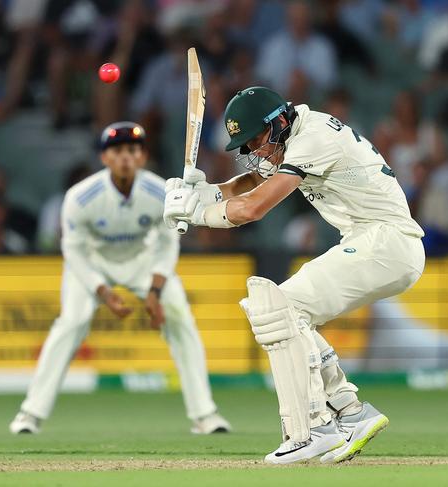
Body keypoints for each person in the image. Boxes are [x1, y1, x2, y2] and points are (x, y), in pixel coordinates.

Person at [163, 87, 425, 464]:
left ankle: (315, 428)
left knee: (281, 306)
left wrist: (197, 213)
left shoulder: (314, 136)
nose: (254, 151)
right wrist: (202, 194)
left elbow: (253, 208)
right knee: (268, 309)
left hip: (388, 242)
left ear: (279, 122)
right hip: (373, 241)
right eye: (247, 144)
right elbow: (250, 183)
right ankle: (350, 412)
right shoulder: (292, 136)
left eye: (256, 139)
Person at [9, 122, 230, 435]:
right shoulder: (81, 197)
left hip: (143, 260)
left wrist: (155, 291)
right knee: (72, 321)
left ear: (142, 156)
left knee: (180, 317)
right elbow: (73, 250)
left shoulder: (159, 192)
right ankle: (30, 414)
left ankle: (205, 415)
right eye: (118, 151)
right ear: (104, 158)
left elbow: (168, 243)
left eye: (133, 150)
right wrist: (102, 291)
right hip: (92, 264)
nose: (126, 156)